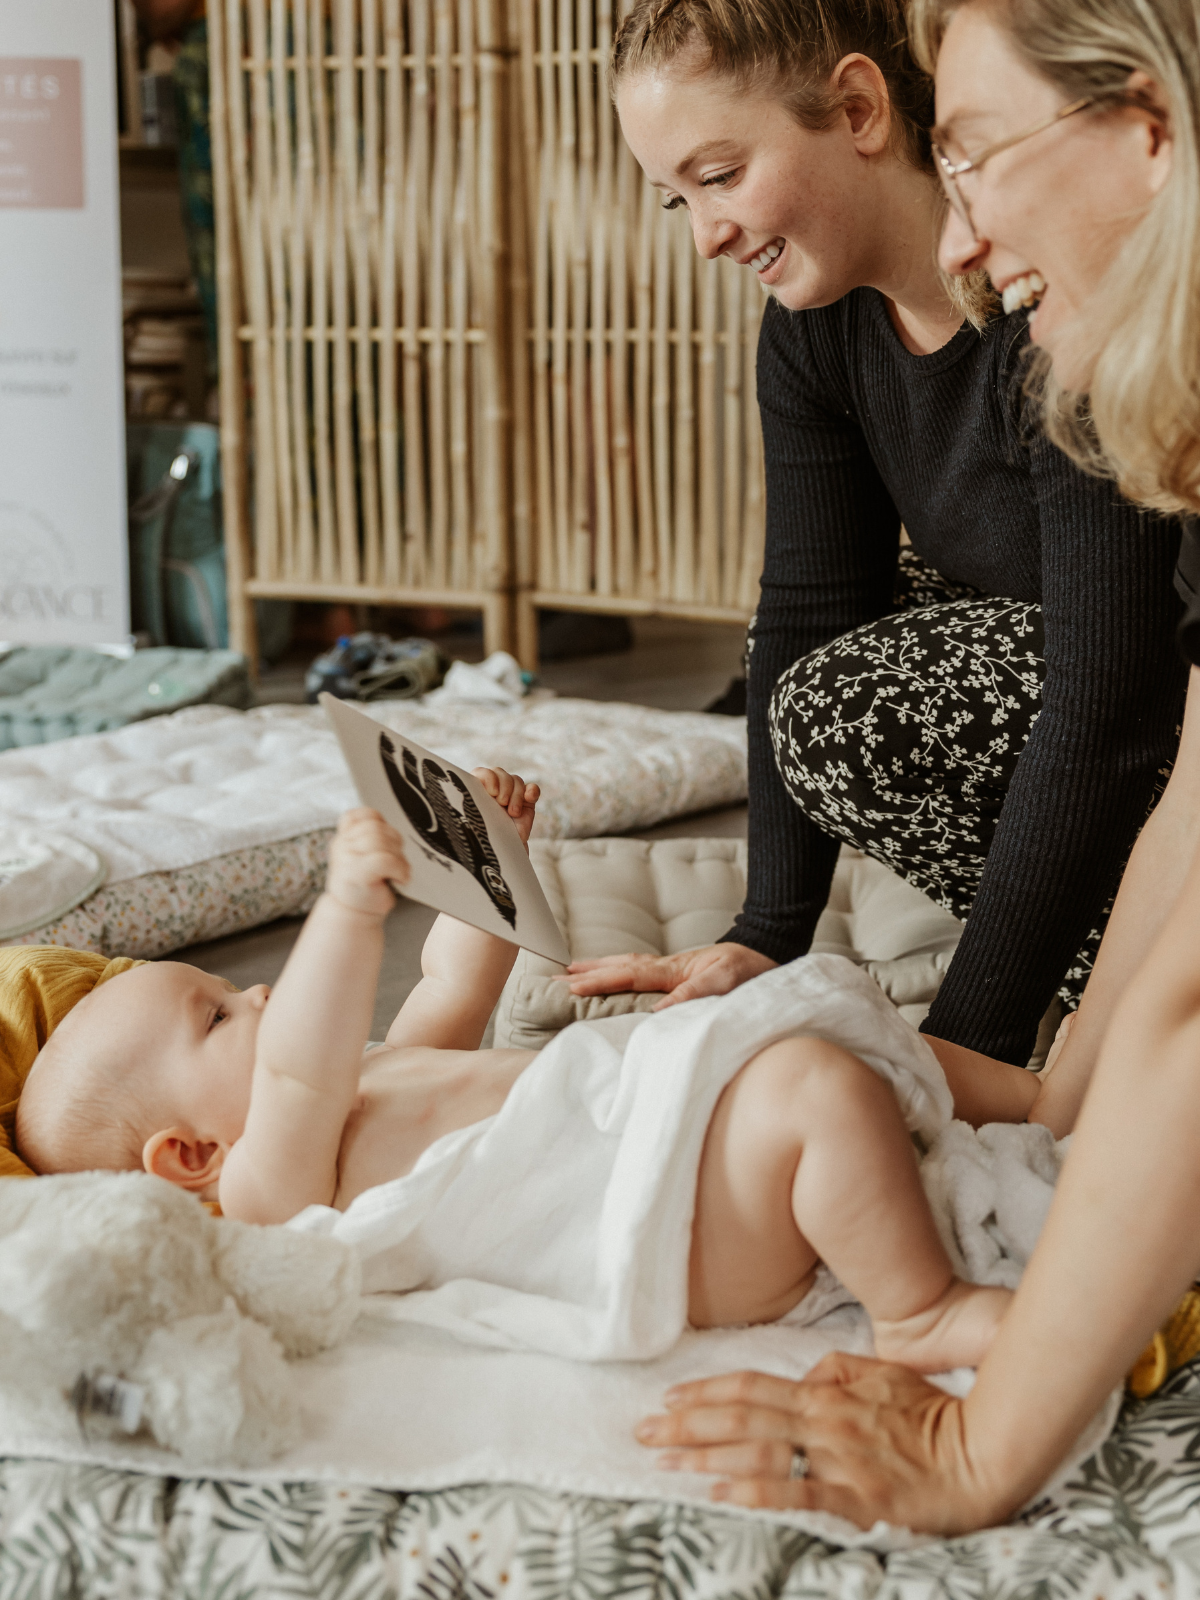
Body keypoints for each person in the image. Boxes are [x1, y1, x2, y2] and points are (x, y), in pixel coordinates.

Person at [632, 0, 1200, 1531]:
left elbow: (1131, 724)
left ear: (1150, 133)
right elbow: (1195, 820)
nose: (961, 240)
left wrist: (981, 1447)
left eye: (980, 157)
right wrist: (1031, 1082)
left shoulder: (1075, 359)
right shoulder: (834, 338)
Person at [567, 0, 1186, 1079]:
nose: (705, 232)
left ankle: (1109, 968)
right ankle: (1099, 958)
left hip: (1149, 704)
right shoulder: (814, 332)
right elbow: (809, 603)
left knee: (838, 703)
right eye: (676, 198)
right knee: (804, 650)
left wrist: (967, 1039)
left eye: (720, 176)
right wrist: (768, 929)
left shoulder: (1058, 310)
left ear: (857, 108)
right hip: (1064, 680)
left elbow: (1113, 699)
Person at [16, 777, 1035, 1374]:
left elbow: (455, 983)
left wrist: (487, 857)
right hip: (666, 1223)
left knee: (828, 1010)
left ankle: (1042, 1101)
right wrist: (343, 909)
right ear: (191, 1153)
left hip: (658, 1125)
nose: (259, 995)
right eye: (219, 1011)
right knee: (814, 1088)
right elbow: (293, 1079)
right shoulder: (268, 1195)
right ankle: (918, 1310)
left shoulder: (366, 1073)